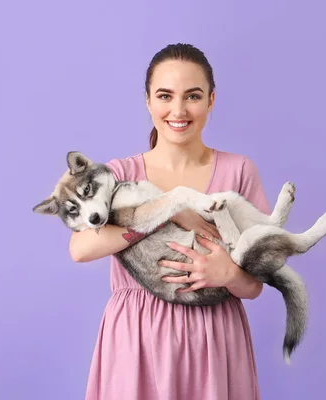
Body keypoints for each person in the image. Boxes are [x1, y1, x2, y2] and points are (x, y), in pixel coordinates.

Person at [69, 43, 271, 400]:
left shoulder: (238, 171)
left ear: (211, 100)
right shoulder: (119, 174)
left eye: (192, 96)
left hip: (215, 337)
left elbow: (255, 285)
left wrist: (229, 275)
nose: (178, 110)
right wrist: (167, 209)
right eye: (165, 95)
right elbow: (81, 248)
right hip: (136, 341)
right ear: (148, 101)